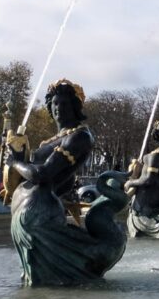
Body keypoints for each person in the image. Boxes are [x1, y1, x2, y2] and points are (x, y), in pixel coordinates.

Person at [8, 78, 128, 285]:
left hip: (39, 216)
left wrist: (15, 162)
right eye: (54, 104)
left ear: (75, 107)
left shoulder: (80, 136)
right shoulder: (49, 141)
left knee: (51, 281)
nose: (58, 108)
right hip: (27, 212)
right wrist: (16, 157)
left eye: (64, 104)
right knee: (41, 283)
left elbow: (42, 174)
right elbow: (51, 178)